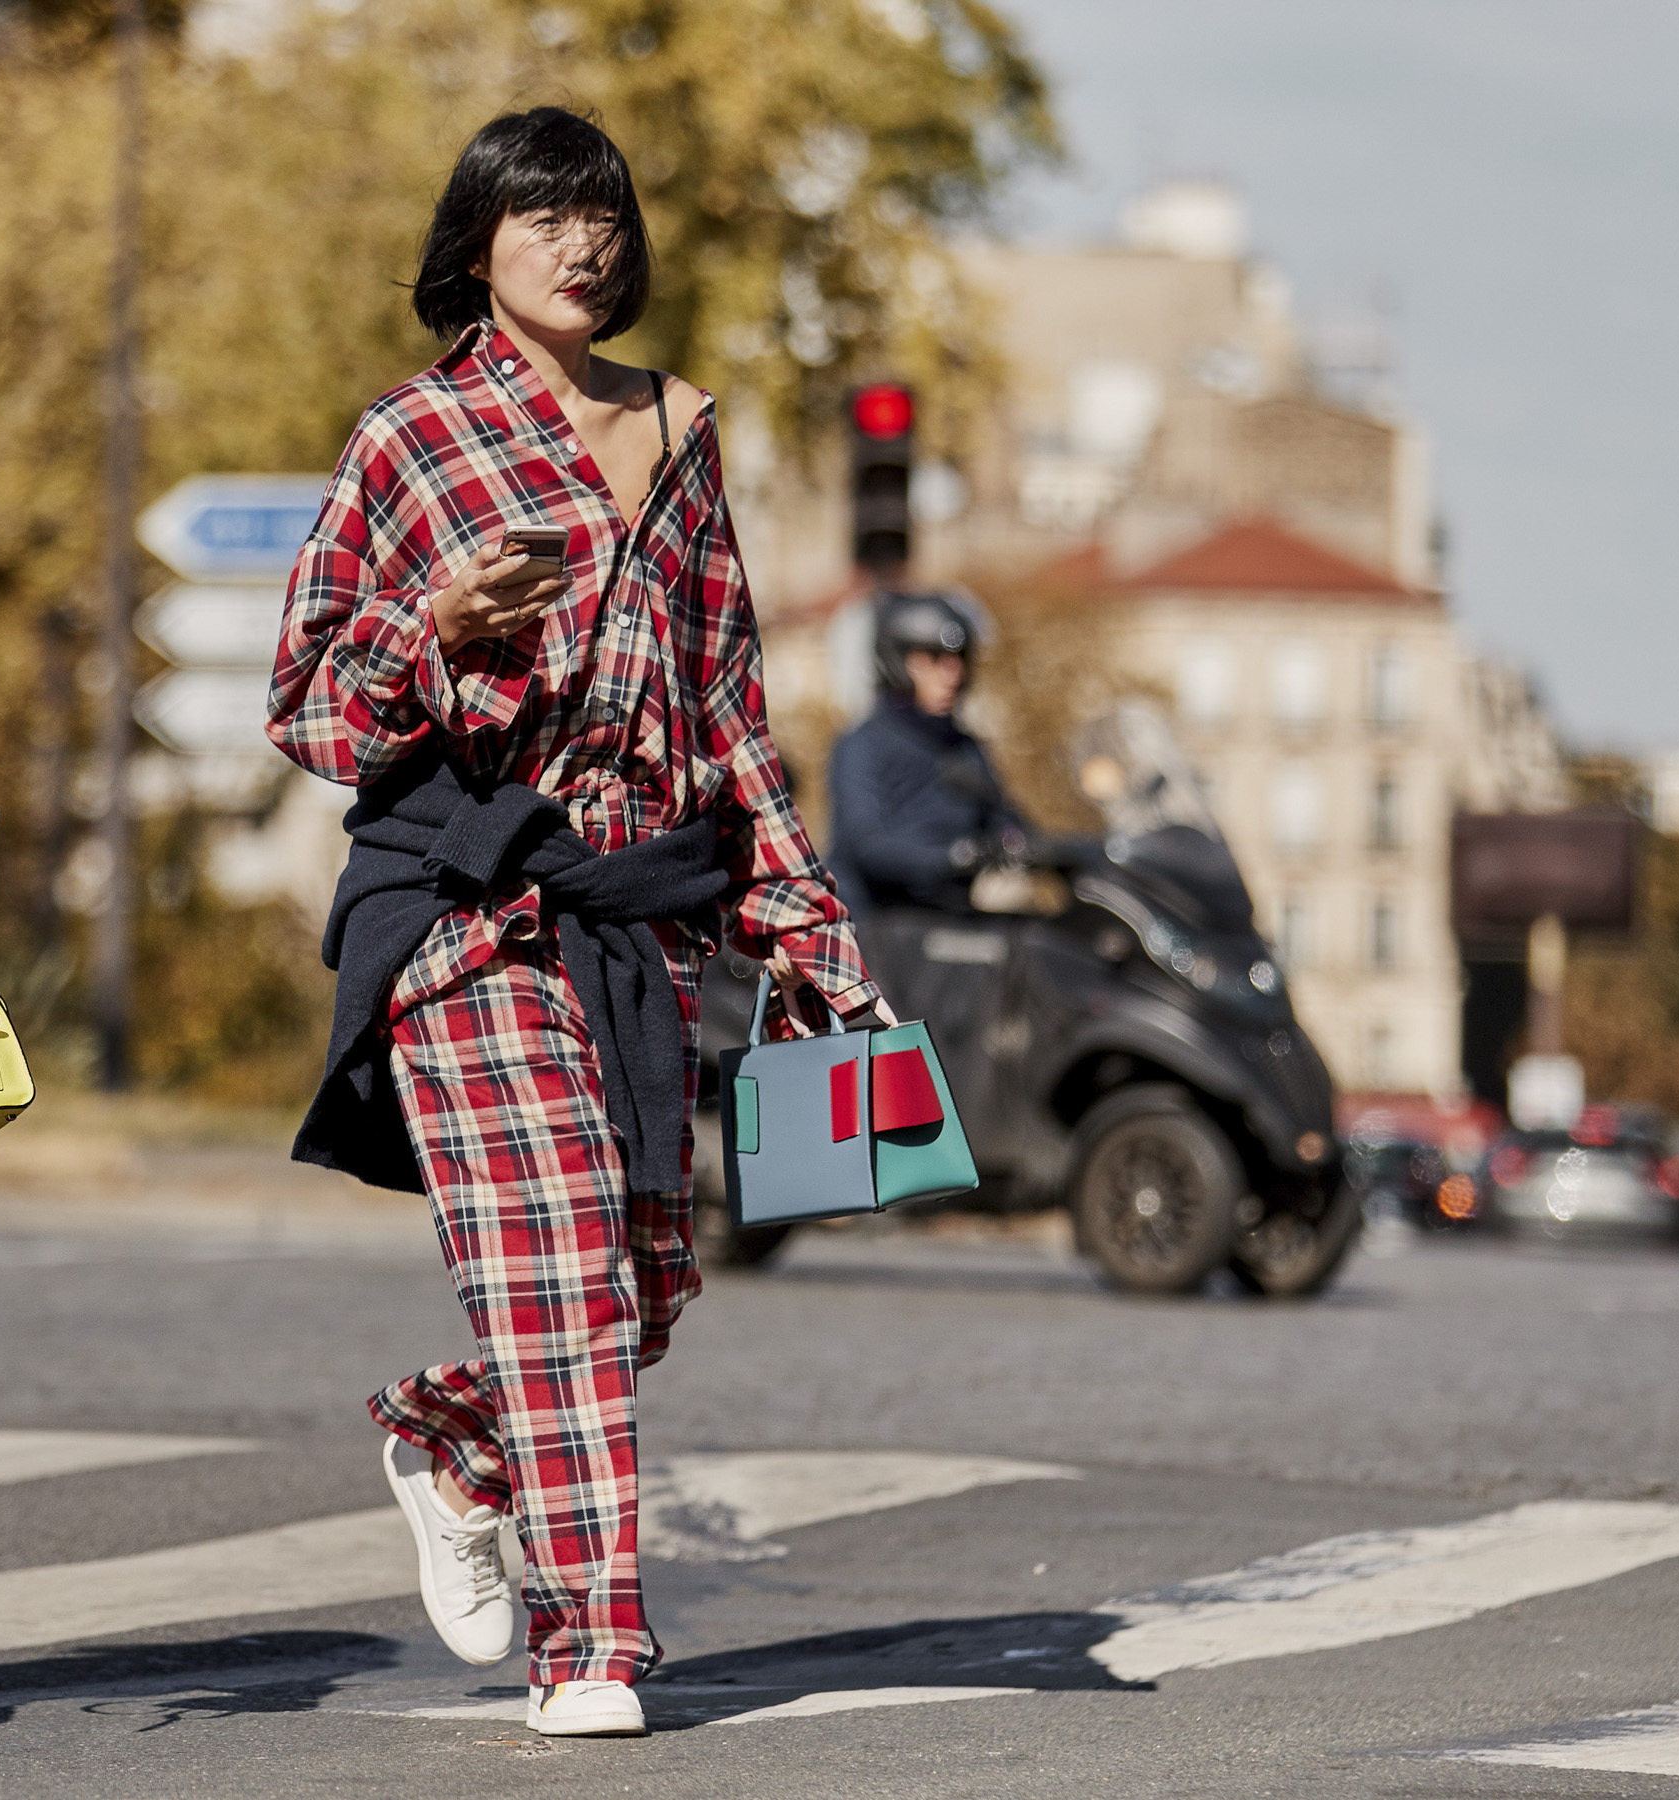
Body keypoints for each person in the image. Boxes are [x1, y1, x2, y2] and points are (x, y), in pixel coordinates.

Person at [268, 107, 890, 1740]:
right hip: (464, 912)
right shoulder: (409, 439)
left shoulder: (684, 432)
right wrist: (428, 620)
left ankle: (451, 1438)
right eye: (542, 215)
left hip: (645, 923)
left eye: (602, 211)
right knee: (562, 1267)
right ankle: (592, 1642)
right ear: (476, 245)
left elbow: (731, 707)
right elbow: (309, 705)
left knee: (642, 1287)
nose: (583, 239)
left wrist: (815, 942)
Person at [826, 590, 1030, 915]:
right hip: (878, 923)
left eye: (959, 660)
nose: (952, 675)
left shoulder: (965, 747)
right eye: (934, 660)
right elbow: (866, 844)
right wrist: (954, 857)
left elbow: (1004, 819)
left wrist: (1023, 845)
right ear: (897, 662)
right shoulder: (862, 743)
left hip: (952, 918)